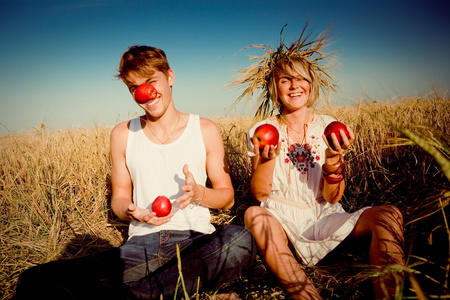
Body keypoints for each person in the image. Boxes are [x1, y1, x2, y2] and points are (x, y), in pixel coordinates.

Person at [14, 45, 256, 300]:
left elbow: (227, 198)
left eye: (151, 81)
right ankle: (148, 293)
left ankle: (130, 295)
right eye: (133, 87)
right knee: (35, 280)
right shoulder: (122, 134)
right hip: (142, 246)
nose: (144, 93)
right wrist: (132, 211)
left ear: (170, 77)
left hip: (196, 242)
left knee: (239, 240)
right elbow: (119, 199)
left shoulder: (205, 129)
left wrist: (198, 193)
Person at [230, 25, 405, 299]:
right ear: (275, 88)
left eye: (301, 79)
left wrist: (334, 160)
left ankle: (390, 294)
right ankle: (305, 294)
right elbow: (260, 194)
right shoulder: (262, 130)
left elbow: (332, 196)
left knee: (389, 214)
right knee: (254, 215)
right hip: (281, 218)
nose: (294, 85)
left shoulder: (329, 126)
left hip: (325, 214)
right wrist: (266, 161)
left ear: (311, 85)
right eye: (285, 79)